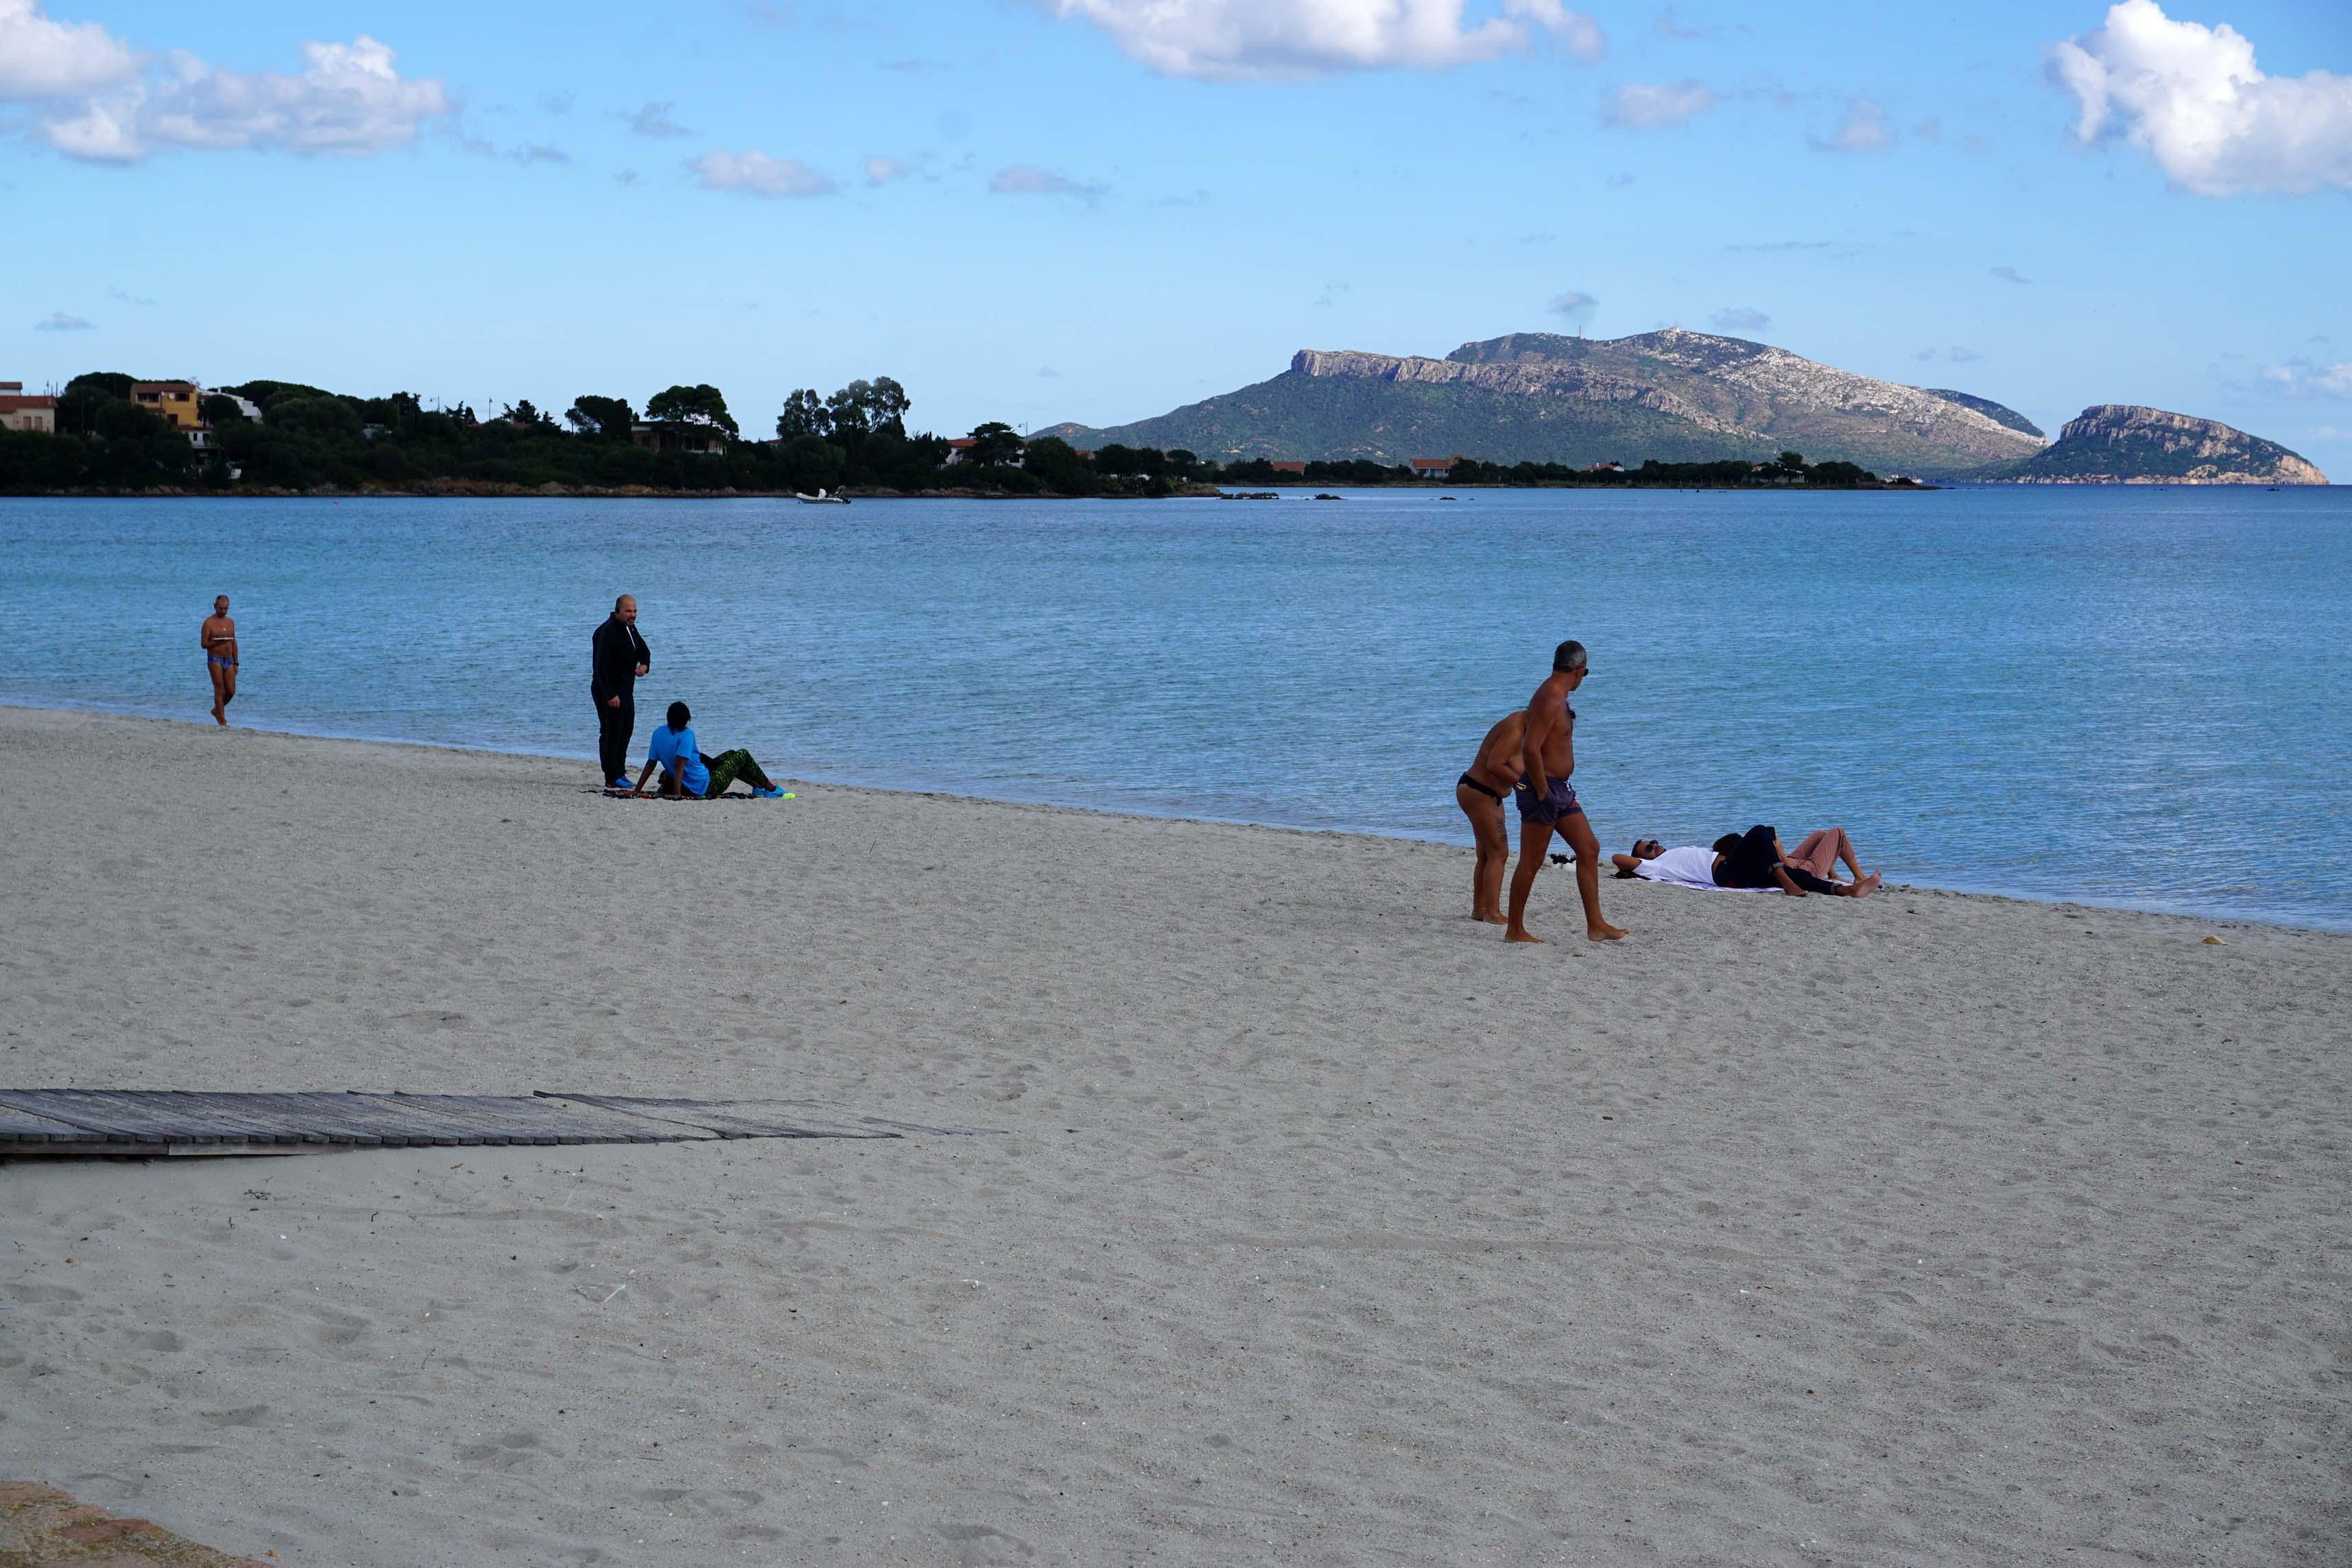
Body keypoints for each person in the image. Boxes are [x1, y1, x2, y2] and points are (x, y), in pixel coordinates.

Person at [1504, 641, 1627, 945]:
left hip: (1562, 789)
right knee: (1531, 861)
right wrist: (1543, 790)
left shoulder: (1557, 697)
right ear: (1579, 670)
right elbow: (1530, 748)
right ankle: (1514, 929)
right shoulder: (1550, 698)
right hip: (1542, 789)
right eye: (1586, 673)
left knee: (1589, 849)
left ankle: (1596, 925)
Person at [629, 701, 786, 800]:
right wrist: (678, 794)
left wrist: (637, 791)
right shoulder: (686, 735)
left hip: (692, 780)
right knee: (743, 755)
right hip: (706, 785)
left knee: (732, 754)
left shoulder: (658, 734)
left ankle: (758, 787)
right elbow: (679, 765)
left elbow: (650, 764)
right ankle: (771, 789)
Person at [1454, 710, 1527, 924]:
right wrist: (1522, 786)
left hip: (1486, 793)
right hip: (1479, 792)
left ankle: (1480, 909)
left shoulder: (1525, 728)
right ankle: (1493, 913)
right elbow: (1494, 764)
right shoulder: (1515, 729)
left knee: (1487, 854)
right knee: (1499, 853)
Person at [1711, 826, 1882, 897]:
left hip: (1788, 864)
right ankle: (1858, 878)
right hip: (1795, 867)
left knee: (1820, 835)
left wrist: (1785, 859)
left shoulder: (1737, 867)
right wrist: (1785, 860)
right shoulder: (1727, 868)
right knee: (1838, 833)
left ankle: (1835, 875)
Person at [592, 594, 651, 789]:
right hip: (607, 691)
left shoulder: (630, 628)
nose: (632, 615)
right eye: (628, 611)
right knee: (610, 732)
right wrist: (610, 695)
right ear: (617, 611)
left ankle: (620, 772)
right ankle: (611, 776)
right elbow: (599, 668)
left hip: (626, 690)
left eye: (635, 611)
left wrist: (645, 665)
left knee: (626, 730)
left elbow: (643, 650)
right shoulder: (606, 632)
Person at [200, 595, 238, 726]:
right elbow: (204, 644)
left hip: (229, 660)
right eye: (221, 608)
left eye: (226, 609)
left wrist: (236, 663)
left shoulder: (230, 622)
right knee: (219, 688)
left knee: (231, 691)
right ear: (215, 607)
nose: (223, 611)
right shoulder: (208, 623)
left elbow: (234, 643)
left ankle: (217, 710)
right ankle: (222, 720)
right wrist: (217, 643)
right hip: (214, 659)